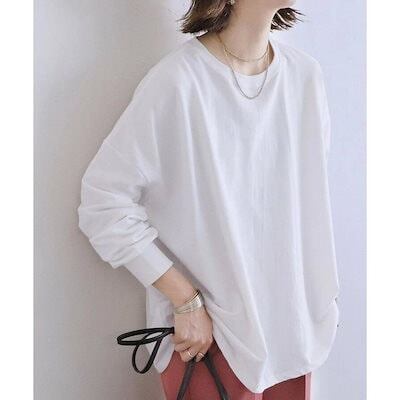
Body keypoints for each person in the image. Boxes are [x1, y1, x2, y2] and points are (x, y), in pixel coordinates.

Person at [77, 0, 340, 399]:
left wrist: (319, 298)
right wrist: (186, 299)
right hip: (210, 341)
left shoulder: (305, 77)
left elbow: (299, 206)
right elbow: (103, 202)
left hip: (293, 337)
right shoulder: (178, 82)